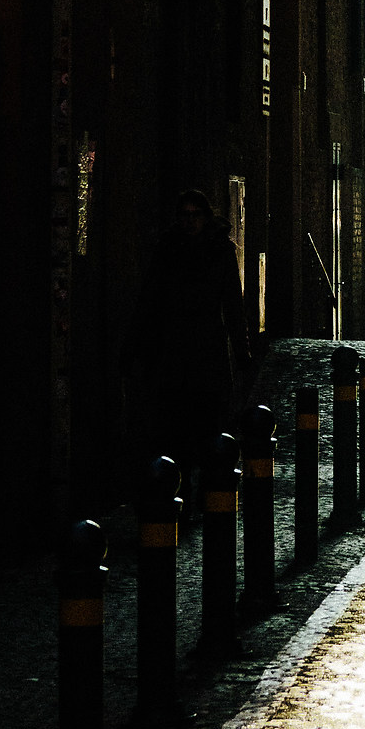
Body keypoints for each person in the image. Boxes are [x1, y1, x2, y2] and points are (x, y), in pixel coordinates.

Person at [131, 187, 251, 511]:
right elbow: (150, 300)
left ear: (205, 216)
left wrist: (242, 353)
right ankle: (178, 488)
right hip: (173, 352)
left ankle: (207, 491)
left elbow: (233, 305)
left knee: (209, 421)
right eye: (184, 215)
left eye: (195, 214)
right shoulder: (167, 250)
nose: (189, 221)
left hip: (208, 350)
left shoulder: (221, 252)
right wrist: (141, 346)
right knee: (175, 423)